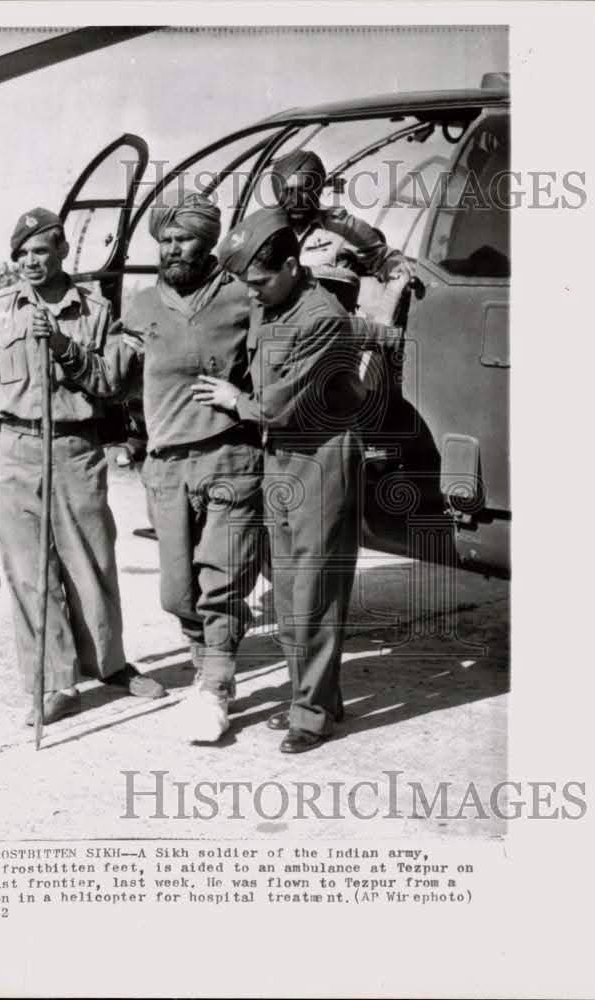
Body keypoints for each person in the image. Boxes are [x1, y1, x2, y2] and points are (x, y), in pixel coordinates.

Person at [0, 207, 165, 726]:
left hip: (74, 447)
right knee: (29, 571)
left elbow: (111, 383)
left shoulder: (95, 308)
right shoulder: (2, 307)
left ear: (63, 250)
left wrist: (65, 347)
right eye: (20, 254)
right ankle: (54, 682)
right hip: (18, 448)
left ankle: (109, 666)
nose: (29, 262)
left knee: (89, 560)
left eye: (39, 251)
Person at [192, 208, 366, 754]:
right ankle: (315, 695)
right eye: (248, 283)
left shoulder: (323, 318)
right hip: (281, 456)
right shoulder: (270, 301)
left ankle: (311, 715)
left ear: (293, 266)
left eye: (261, 282)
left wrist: (233, 399)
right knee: (289, 589)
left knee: (315, 590)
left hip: (321, 458)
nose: (253, 293)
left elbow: (277, 403)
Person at [122, 191, 263, 743]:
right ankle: (210, 658)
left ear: (209, 242)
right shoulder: (139, 306)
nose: (173, 249)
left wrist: (242, 399)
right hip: (166, 465)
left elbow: (276, 362)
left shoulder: (241, 296)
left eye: (184, 239)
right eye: (165, 241)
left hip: (229, 456)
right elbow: (113, 379)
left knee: (220, 583)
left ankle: (216, 686)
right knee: (177, 594)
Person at [268, 147, 412, 283]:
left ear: (317, 190)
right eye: (287, 192)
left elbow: (389, 261)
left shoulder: (345, 228)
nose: (296, 200)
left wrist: (394, 290)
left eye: (304, 190)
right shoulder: (267, 232)